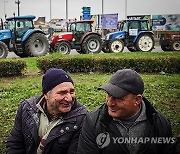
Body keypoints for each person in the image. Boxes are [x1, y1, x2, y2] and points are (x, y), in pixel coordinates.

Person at [77, 69, 176, 154]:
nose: (109, 103)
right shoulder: (93, 121)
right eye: (108, 95)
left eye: (118, 98)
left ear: (137, 100)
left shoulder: (160, 123)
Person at [6, 68, 88, 154]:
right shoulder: (27, 108)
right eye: (62, 93)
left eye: (71, 92)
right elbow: (15, 144)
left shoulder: (82, 118)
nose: (69, 98)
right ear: (46, 95)